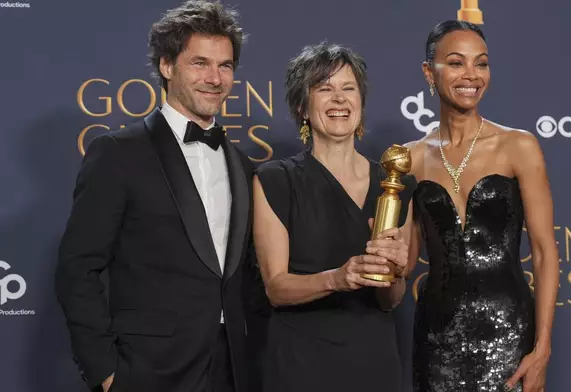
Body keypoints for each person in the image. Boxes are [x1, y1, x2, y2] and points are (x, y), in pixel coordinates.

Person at [55, 2, 255, 391]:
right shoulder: (118, 152)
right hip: (148, 370)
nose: (215, 78)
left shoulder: (243, 165)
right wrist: (106, 372)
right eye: (200, 63)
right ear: (167, 66)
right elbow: (77, 269)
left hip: (232, 368)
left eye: (225, 66)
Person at [403, 21, 559, 392]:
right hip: (436, 341)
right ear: (429, 72)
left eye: (482, 63)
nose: (471, 75)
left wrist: (541, 351)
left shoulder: (518, 146)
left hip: (509, 334)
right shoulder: (408, 159)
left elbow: (543, 252)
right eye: (456, 63)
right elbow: (404, 263)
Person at [252, 42, 415, 392]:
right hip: (301, 366)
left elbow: (391, 300)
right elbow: (276, 288)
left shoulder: (396, 186)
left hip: (375, 364)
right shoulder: (274, 180)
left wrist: (396, 273)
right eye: (324, 89)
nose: (339, 99)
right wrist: (336, 279)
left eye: (348, 88)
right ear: (302, 107)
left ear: (361, 103)